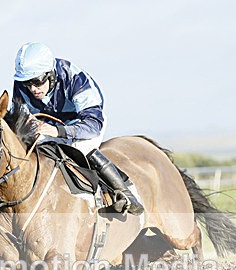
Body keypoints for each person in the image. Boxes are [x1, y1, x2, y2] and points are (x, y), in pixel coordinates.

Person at [12, 42, 144, 215]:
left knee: (82, 148)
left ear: (50, 74)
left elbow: (93, 125)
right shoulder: (22, 85)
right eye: (27, 82)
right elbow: (18, 120)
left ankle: (125, 193)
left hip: (83, 125)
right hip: (48, 127)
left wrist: (58, 131)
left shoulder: (75, 79)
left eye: (37, 81)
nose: (32, 88)